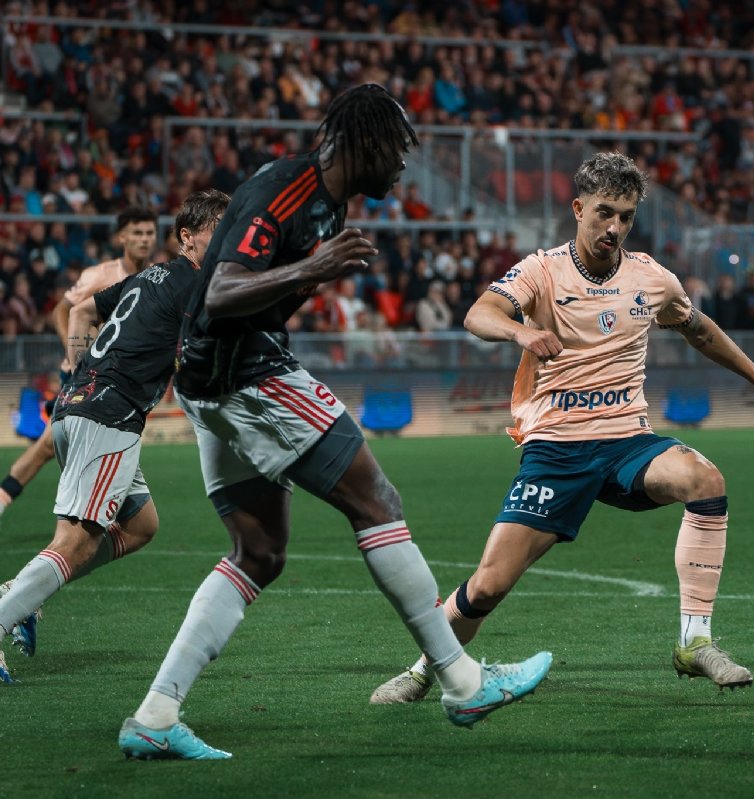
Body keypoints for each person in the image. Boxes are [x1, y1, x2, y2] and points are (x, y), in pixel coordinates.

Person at [118, 84, 551, 762]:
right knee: (377, 501)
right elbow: (222, 290)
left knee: (259, 553)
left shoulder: (330, 203)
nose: (403, 165)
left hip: (213, 378)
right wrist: (314, 266)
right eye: (397, 149)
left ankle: (155, 713)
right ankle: (463, 682)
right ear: (364, 142)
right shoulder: (287, 190)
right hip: (245, 376)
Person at [370, 152, 754, 705]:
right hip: (556, 449)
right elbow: (479, 313)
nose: (614, 228)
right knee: (490, 584)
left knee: (705, 480)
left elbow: (697, 328)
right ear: (578, 209)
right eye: (604, 213)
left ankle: (695, 642)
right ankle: (424, 670)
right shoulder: (542, 270)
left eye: (626, 217)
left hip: (627, 442)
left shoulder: (652, 278)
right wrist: (521, 333)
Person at [0, 190, 231, 682]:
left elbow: (82, 311)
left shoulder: (148, 276)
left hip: (81, 407)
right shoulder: (195, 284)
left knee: (141, 525)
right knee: (76, 543)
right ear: (187, 238)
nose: (228, 236)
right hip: (109, 417)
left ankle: (24, 589)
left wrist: (80, 369)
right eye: (218, 227)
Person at [0, 207, 158, 547]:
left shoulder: (157, 277)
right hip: (86, 373)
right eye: (137, 232)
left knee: (48, 445)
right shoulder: (100, 274)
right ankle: (75, 524)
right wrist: (74, 355)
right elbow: (63, 309)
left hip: (116, 378)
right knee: (70, 442)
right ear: (122, 237)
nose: (144, 239)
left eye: (149, 233)